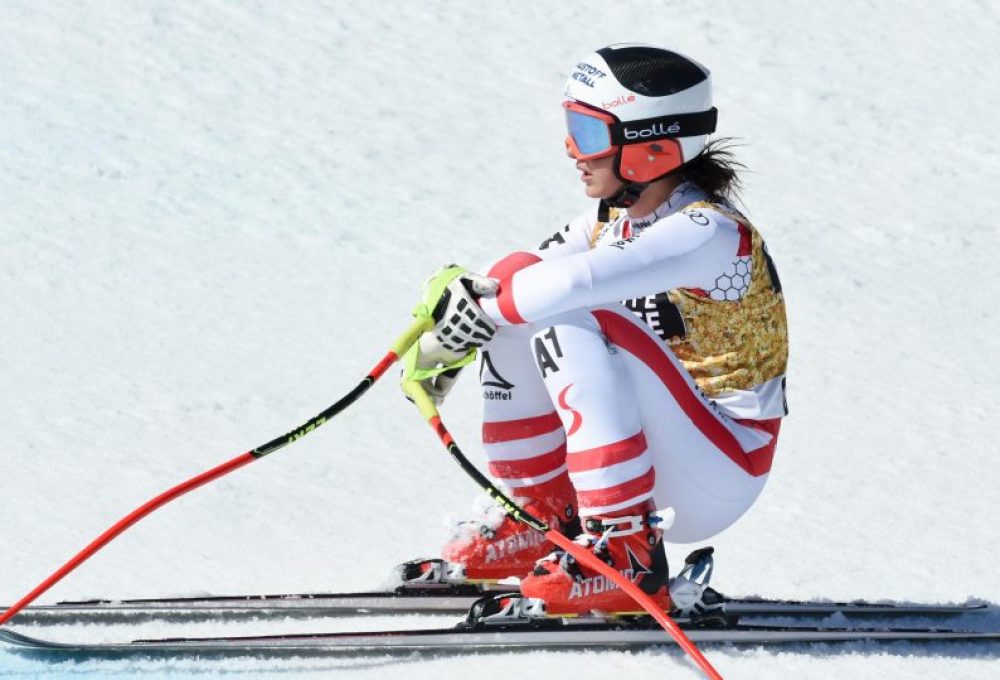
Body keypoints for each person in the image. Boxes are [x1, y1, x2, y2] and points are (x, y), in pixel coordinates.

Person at [407, 43, 789, 615]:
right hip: (662, 456)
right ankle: (545, 519)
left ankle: (626, 552)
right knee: (521, 299)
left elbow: (566, 288)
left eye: (587, 134)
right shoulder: (615, 216)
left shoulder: (708, 232)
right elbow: (512, 276)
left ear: (653, 147)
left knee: (566, 310)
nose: (571, 151)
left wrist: (476, 312)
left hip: (723, 465)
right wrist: (449, 304)